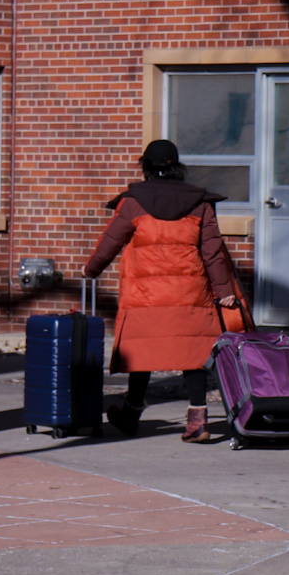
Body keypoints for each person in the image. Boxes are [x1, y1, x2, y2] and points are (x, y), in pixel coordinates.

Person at [83, 140, 241, 442]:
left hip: (146, 294)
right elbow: (213, 252)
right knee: (193, 352)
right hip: (191, 292)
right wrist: (223, 291)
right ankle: (198, 420)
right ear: (176, 166)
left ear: (147, 166)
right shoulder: (200, 202)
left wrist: (91, 269)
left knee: (144, 348)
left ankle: (131, 411)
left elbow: (110, 242)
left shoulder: (133, 202)